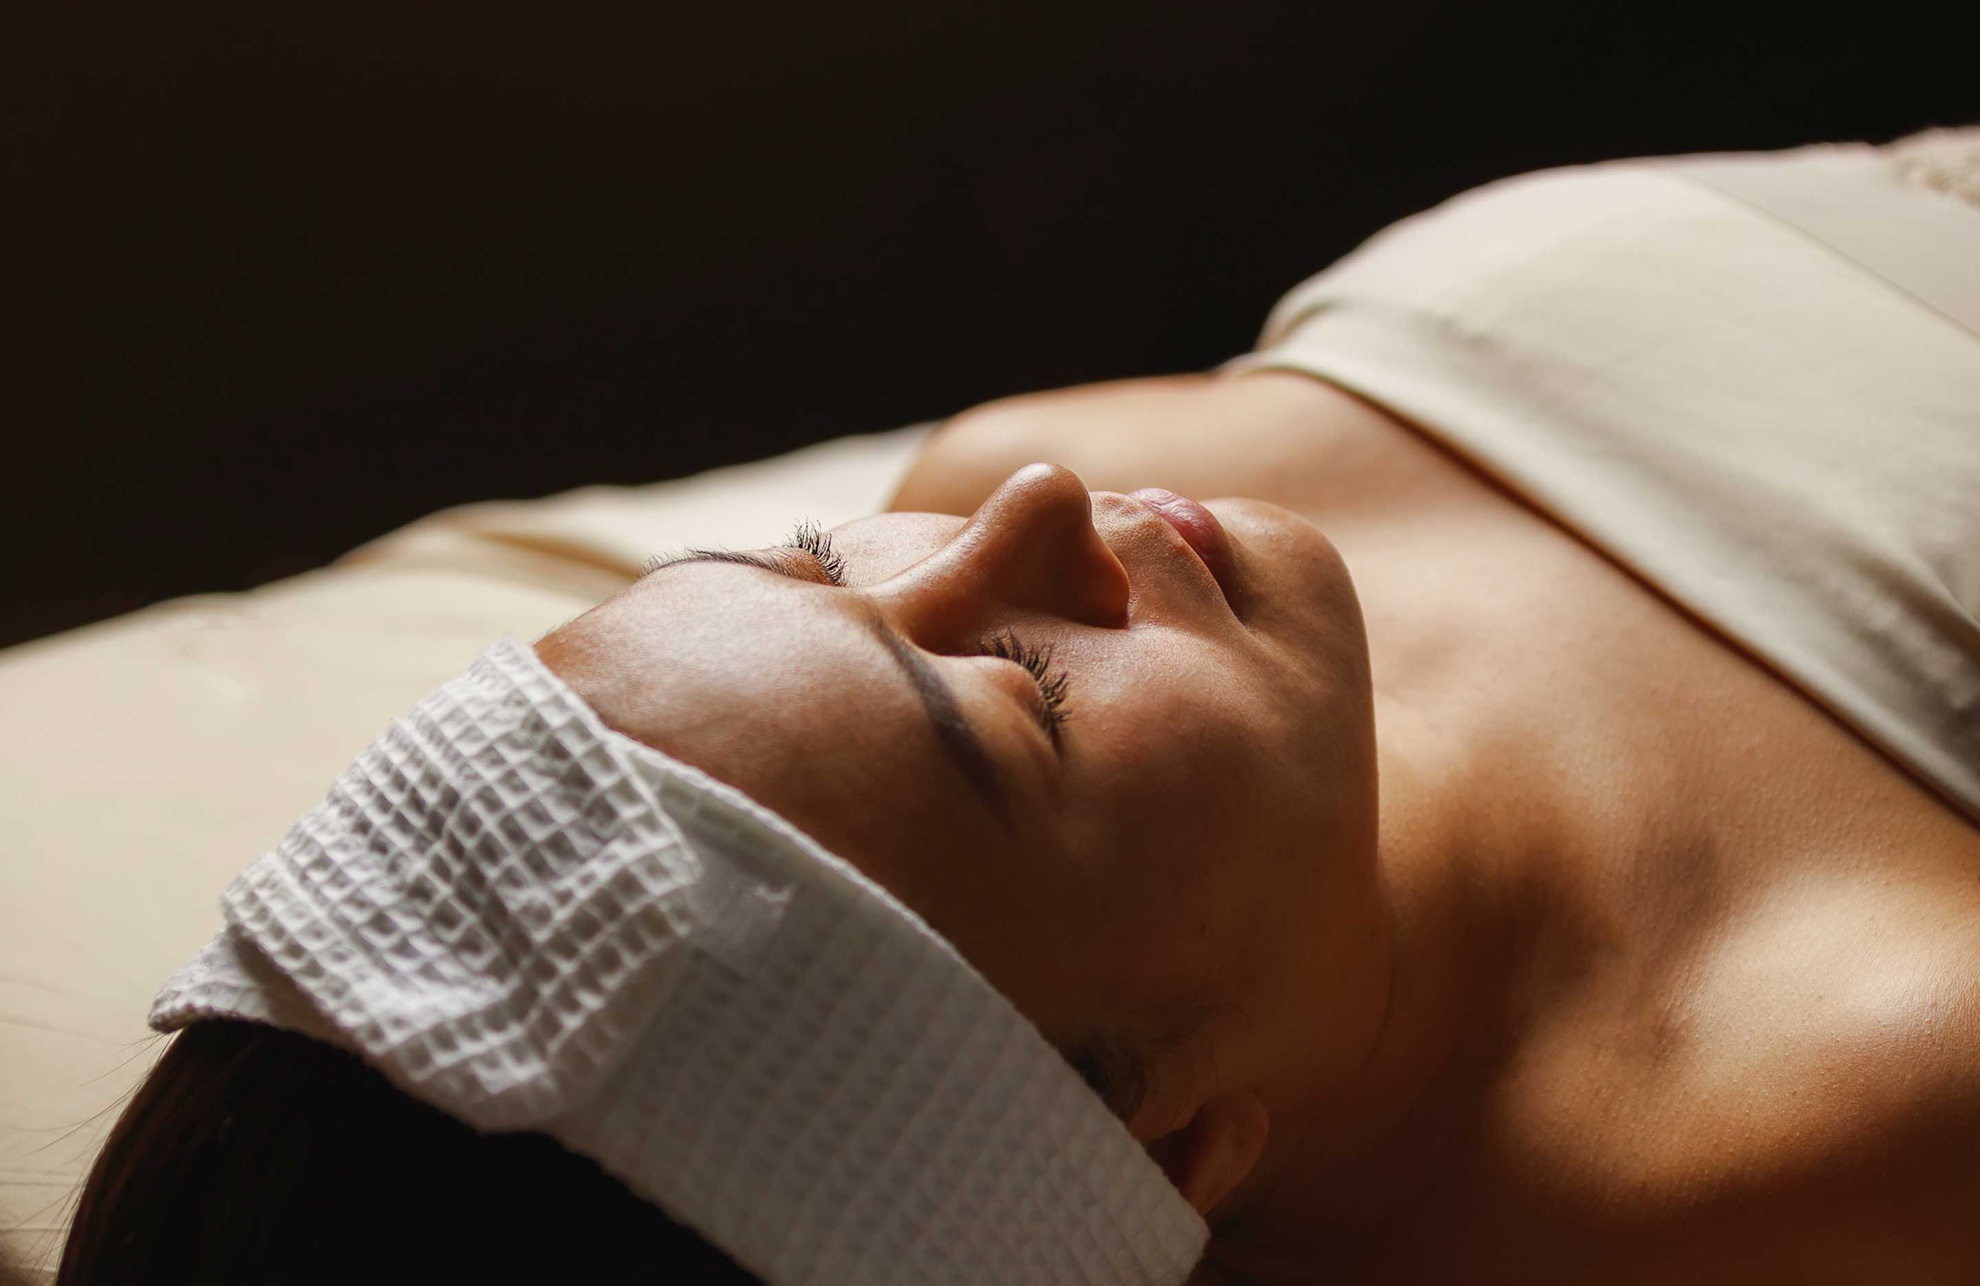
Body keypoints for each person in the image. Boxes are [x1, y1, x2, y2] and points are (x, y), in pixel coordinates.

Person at [60, 126, 1980, 1283]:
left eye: (803, 567)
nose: (1018, 512)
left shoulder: (1022, 481)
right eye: (1024, 708)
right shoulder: (1851, 1119)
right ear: (1169, 1161)